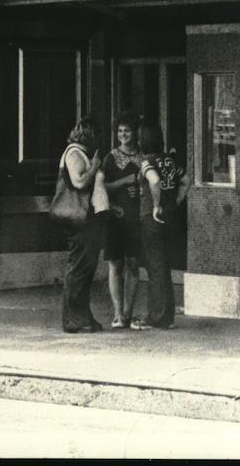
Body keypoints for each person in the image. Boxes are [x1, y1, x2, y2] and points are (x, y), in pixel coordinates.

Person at [132, 122, 189, 331]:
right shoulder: (169, 160)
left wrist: (156, 206)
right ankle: (167, 314)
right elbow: (186, 180)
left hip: (151, 217)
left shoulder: (147, 161)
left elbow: (154, 181)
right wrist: (174, 202)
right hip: (171, 217)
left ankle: (157, 316)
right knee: (164, 265)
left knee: (155, 267)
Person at [59, 121, 104, 334]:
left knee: (84, 267)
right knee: (79, 267)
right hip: (79, 218)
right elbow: (78, 182)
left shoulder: (79, 152)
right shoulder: (74, 153)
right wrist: (94, 166)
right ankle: (73, 318)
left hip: (84, 218)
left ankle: (82, 316)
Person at [100, 114, 143, 329]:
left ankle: (128, 313)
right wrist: (125, 181)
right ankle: (117, 314)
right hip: (115, 218)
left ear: (135, 132)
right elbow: (102, 187)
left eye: (127, 130)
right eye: (120, 131)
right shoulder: (110, 158)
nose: (123, 135)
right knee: (115, 265)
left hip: (136, 220)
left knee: (133, 265)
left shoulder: (144, 157)